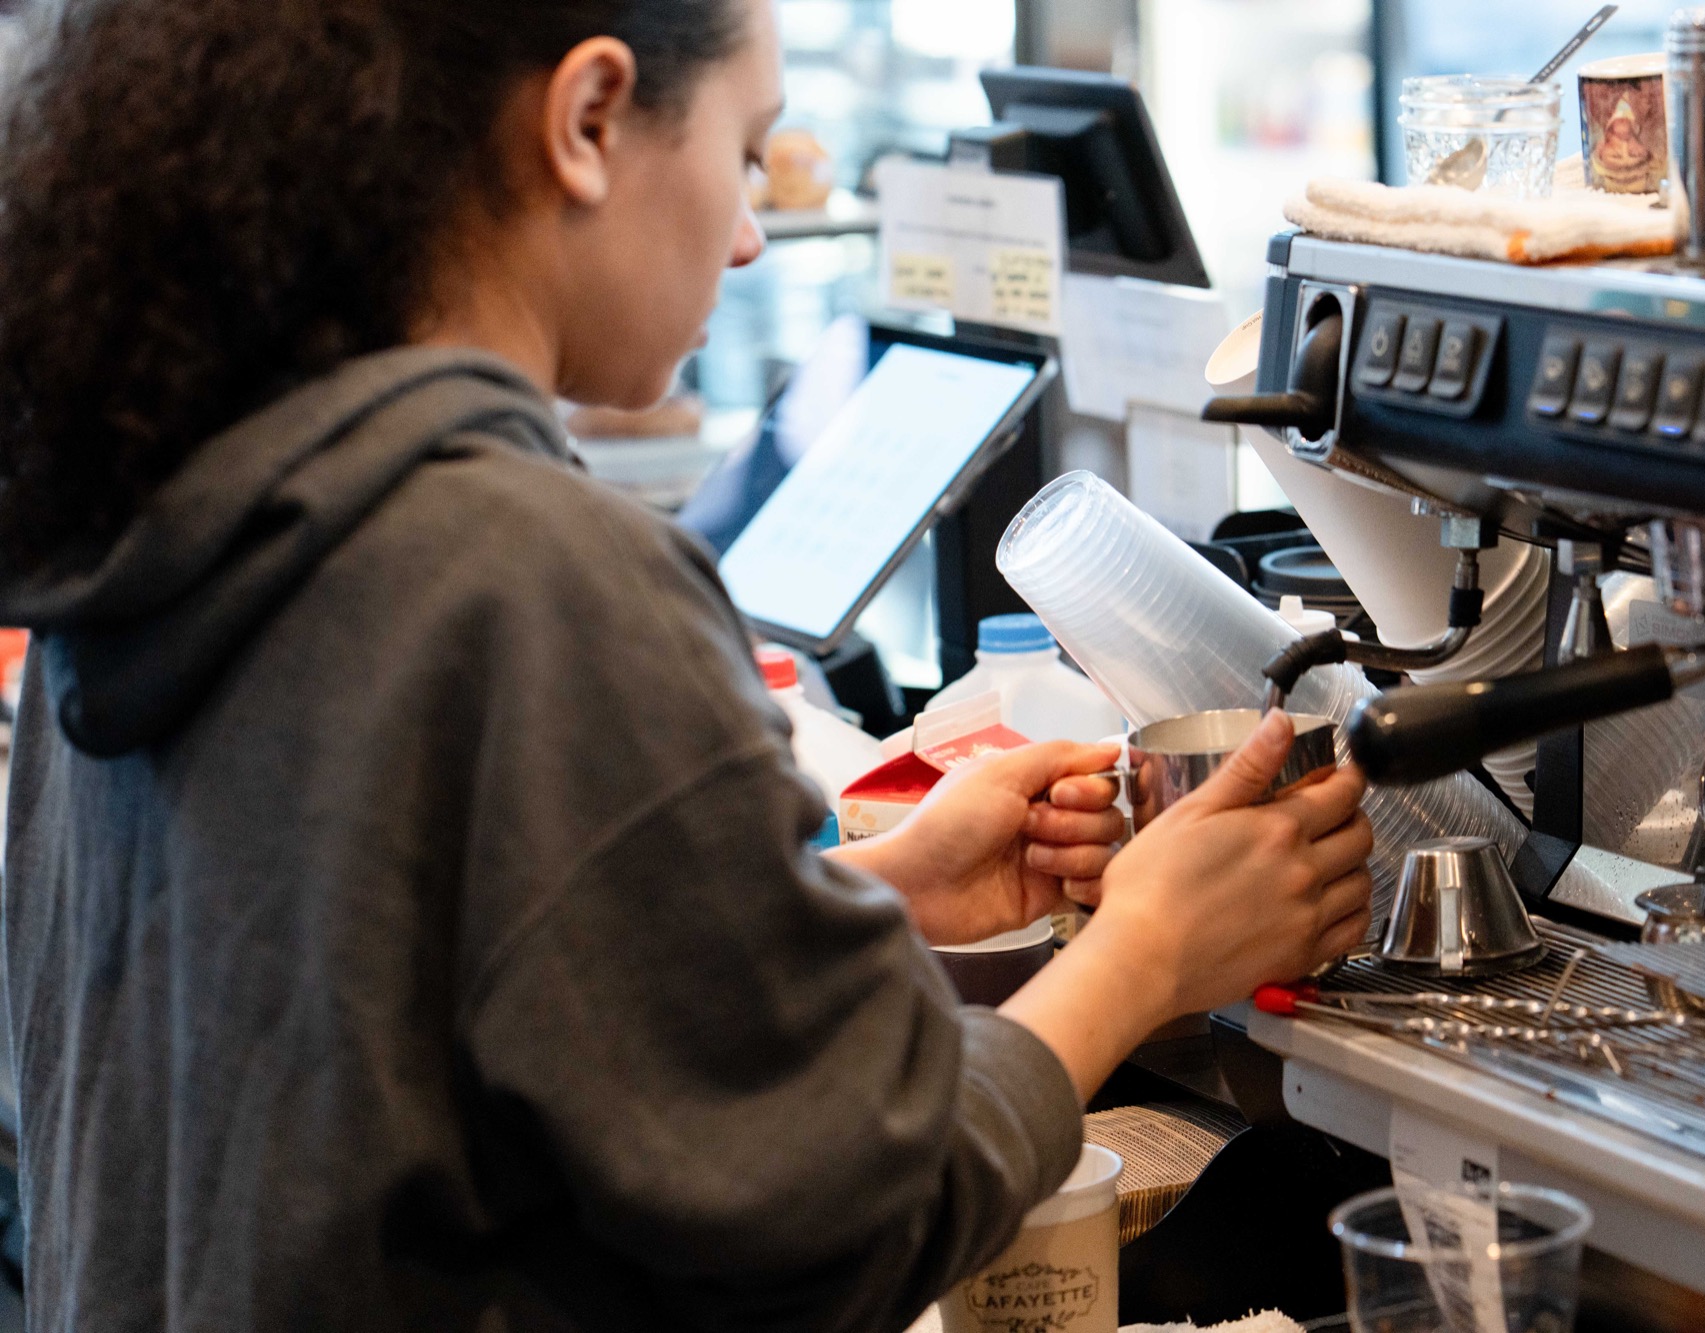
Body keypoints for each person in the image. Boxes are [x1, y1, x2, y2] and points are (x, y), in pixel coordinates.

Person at [0, 1, 1375, 1329]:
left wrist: (862, 893)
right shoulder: (529, 577)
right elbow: (841, 1221)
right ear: (591, 117)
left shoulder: (163, 525)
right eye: (741, 149)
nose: (750, 238)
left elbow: (373, 1006)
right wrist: (1146, 948)